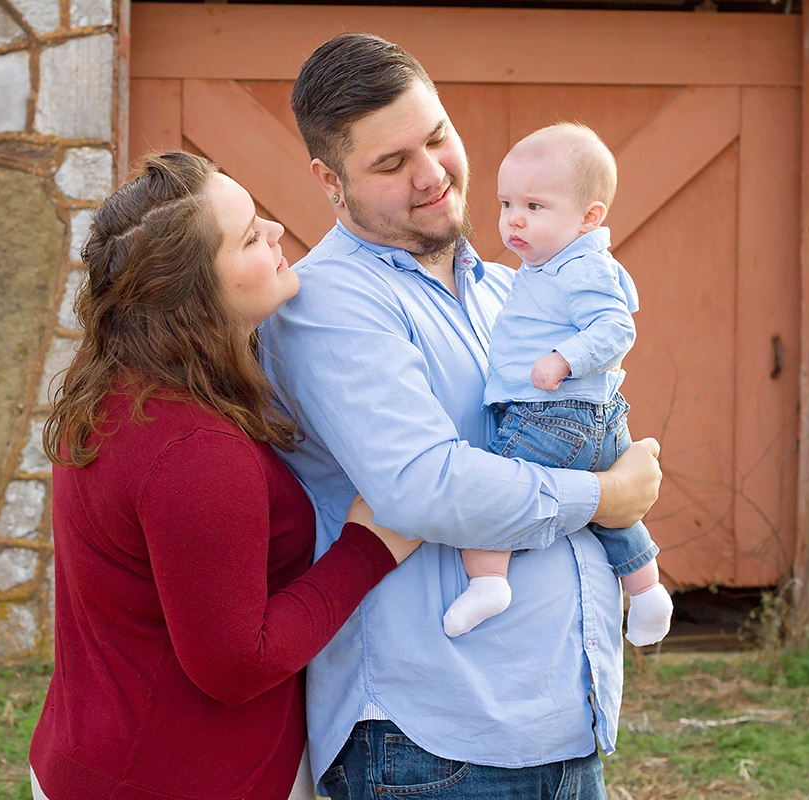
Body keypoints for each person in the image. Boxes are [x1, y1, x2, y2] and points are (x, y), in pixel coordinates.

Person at [260, 34, 662, 799]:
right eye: (389, 163)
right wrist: (606, 499)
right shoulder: (330, 305)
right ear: (329, 179)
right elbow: (425, 487)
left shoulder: (510, 289)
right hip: (431, 745)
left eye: (437, 136)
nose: (432, 174)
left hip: (561, 724)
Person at [27, 151, 418, 800]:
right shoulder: (190, 451)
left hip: (103, 756)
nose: (274, 230)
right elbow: (236, 665)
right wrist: (371, 546)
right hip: (174, 779)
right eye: (248, 238)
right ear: (197, 296)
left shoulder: (122, 386)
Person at [443, 122, 674, 644]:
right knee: (611, 514)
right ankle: (646, 591)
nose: (513, 220)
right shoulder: (550, 264)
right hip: (597, 420)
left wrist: (563, 358)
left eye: (535, 207)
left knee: (492, 493)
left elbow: (617, 328)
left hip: (553, 414)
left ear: (590, 216)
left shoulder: (581, 268)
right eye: (506, 204)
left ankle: (488, 580)